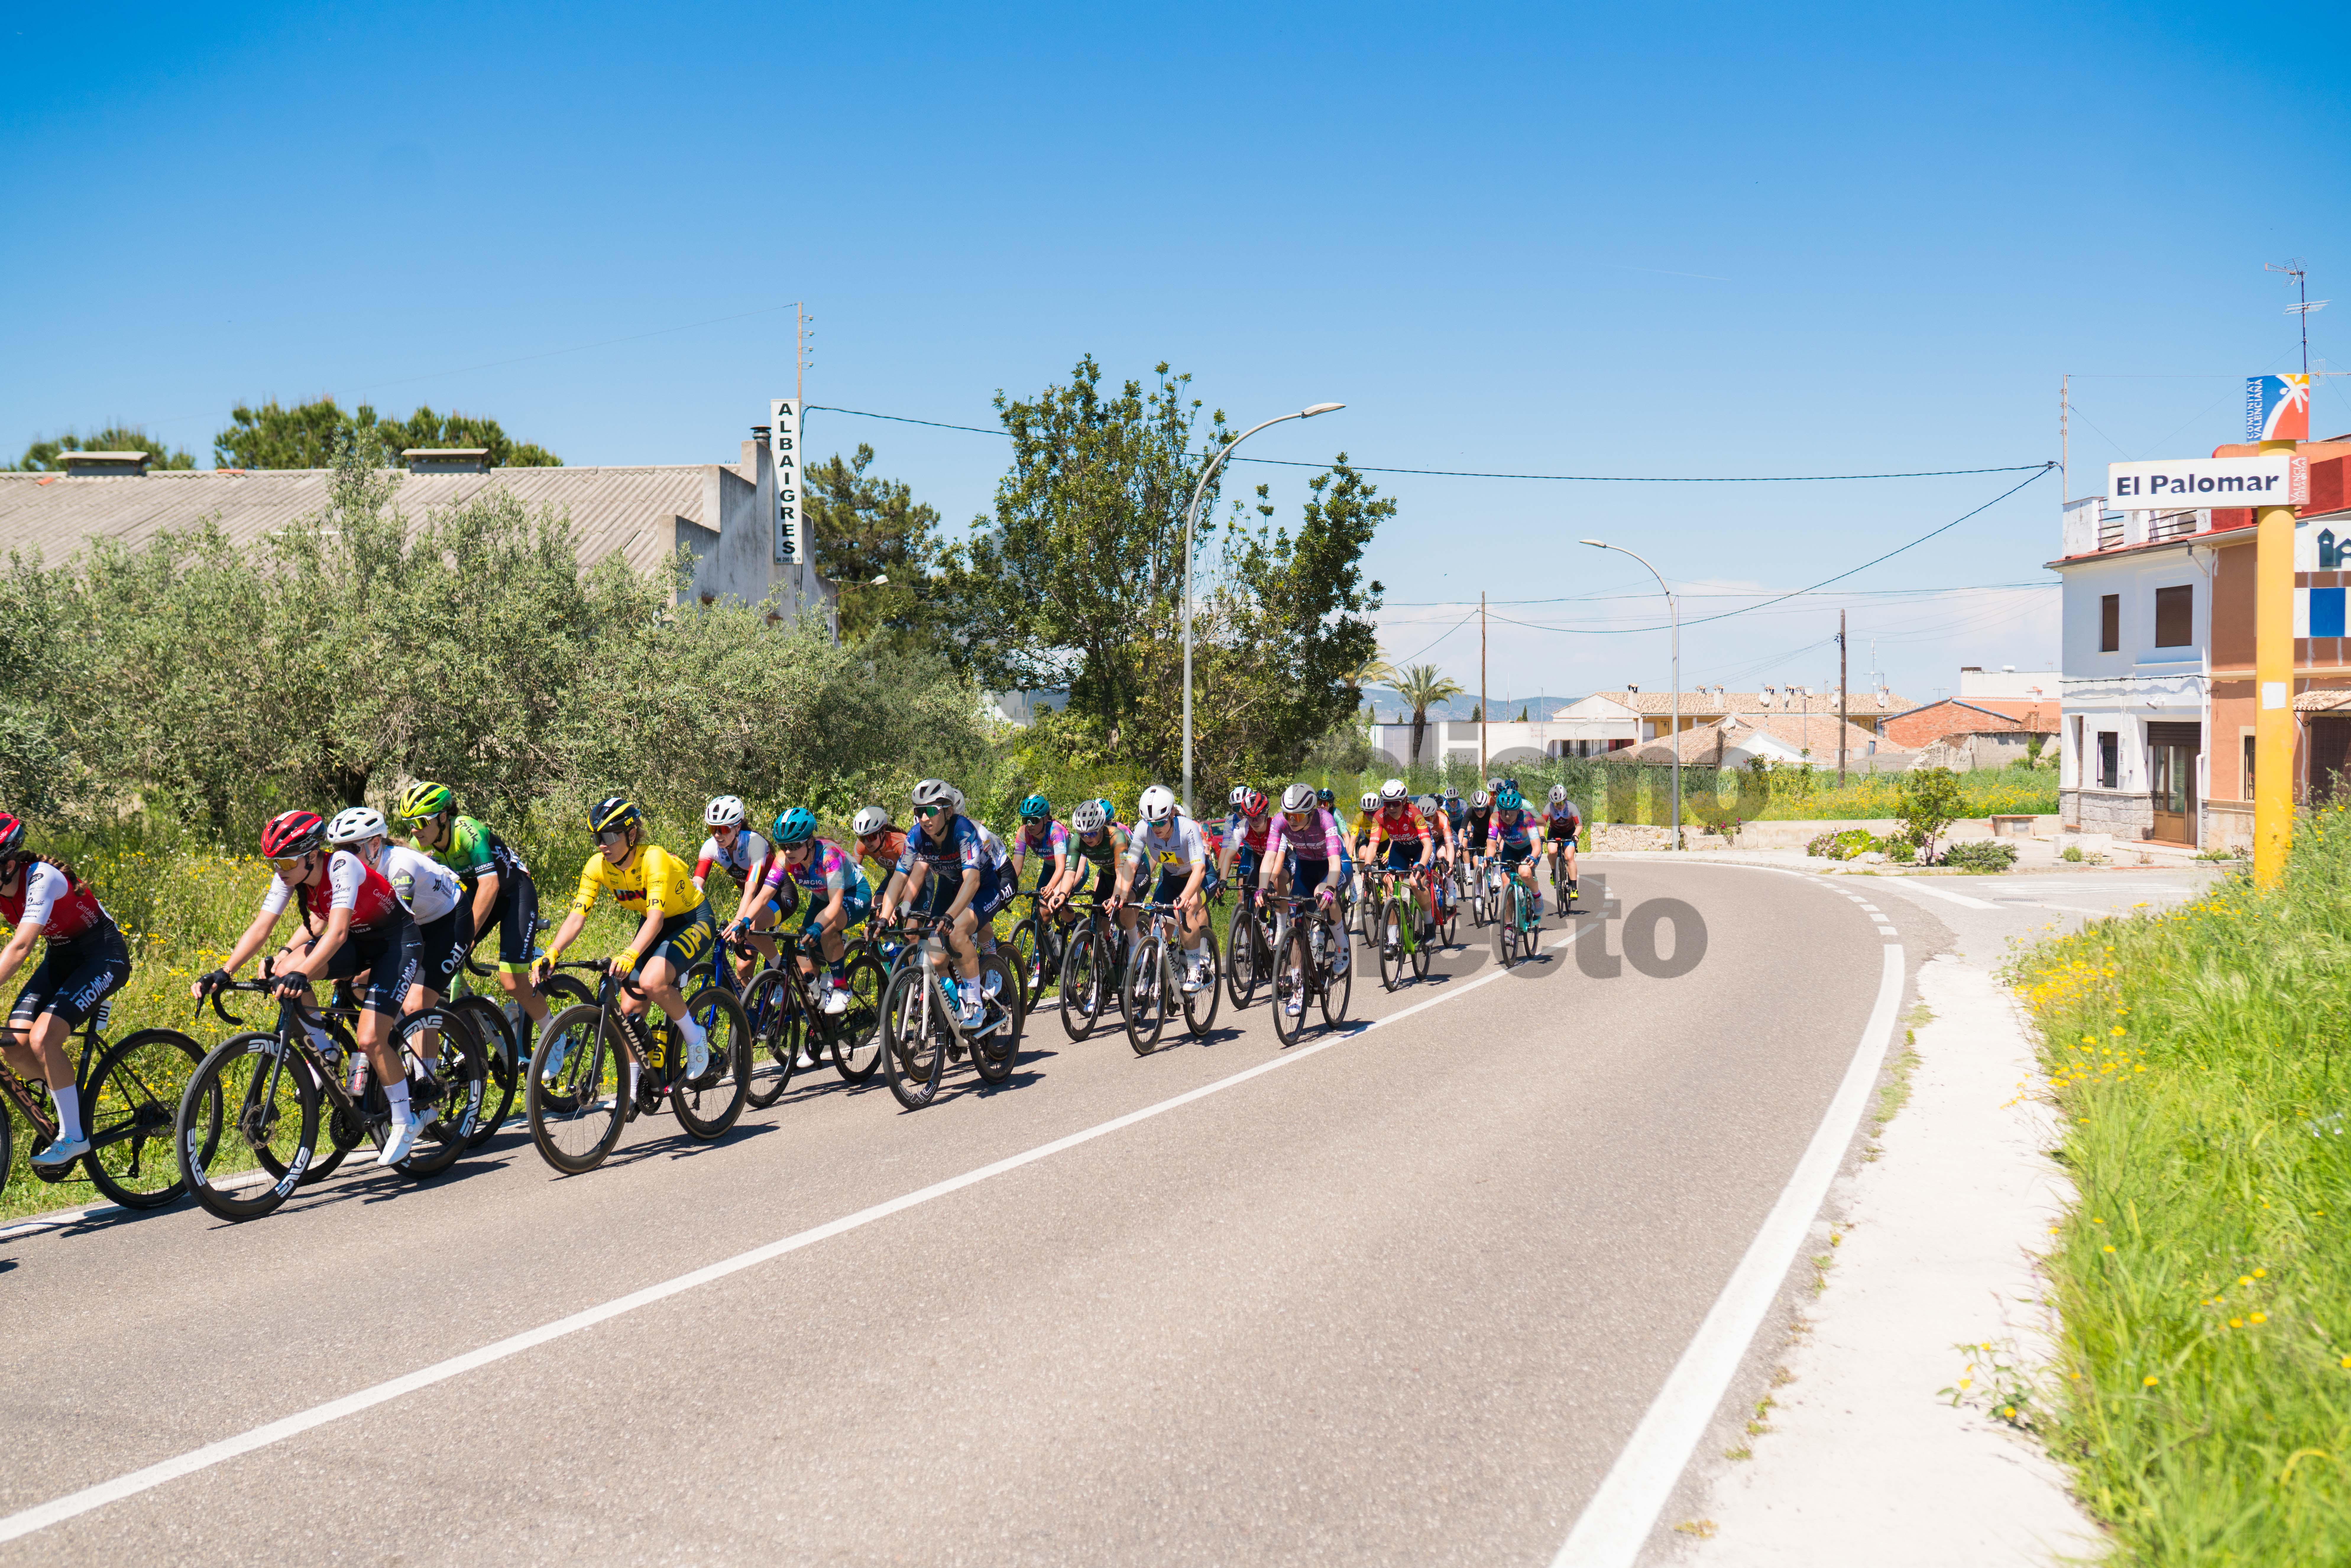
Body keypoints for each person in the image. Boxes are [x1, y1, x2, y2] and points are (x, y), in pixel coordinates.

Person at [197, 810, 427, 1167]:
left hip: (396, 944)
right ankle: (326, 1049)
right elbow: (262, 928)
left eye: (287, 861)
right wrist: (225, 971)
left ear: (311, 854)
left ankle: (405, 1120)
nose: (280, 870)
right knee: (283, 967)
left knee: (369, 1037)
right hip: (359, 943)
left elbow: (334, 933)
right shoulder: (291, 875)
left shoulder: (342, 866)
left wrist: (304, 973)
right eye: (274, 863)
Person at [535, 797, 715, 1098]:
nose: (601, 845)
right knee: (628, 1011)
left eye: (609, 836)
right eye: (597, 837)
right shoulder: (597, 867)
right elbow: (577, 915)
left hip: (691, 918)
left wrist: (632, 953)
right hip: (653, 925)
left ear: (631, 835)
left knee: (652, 981)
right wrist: (553, 951)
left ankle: (695, 1037)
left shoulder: (653, 858)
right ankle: (632, 1093)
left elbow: (657, 919)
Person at [0, 814, 130, 1171]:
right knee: (12, 1041)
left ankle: (74, 1137)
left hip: (103, 956)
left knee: (43, 1037)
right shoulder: (3, 885)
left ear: (9, 865)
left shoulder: (42, 877)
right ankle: (63, 1101)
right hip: (61, 957)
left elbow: (21, 947)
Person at [397, 781, 549, 1054]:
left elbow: (490, 886)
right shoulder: (418, 845)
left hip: (513, 891)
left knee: (512, 981)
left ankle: (554, 1038)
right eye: (409, 822)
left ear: (443, 817)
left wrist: (467, 935)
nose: (414, 829)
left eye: (420, 821)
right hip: (476, 893)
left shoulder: (468, 831)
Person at [875, 779, 1008, 1026]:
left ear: (948, 811)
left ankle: (975, 1004)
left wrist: (950, 917)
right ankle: (956, 1012)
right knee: (935, 960)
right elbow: (899, 878)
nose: (925, 818)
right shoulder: (916, 837)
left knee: (957, 933)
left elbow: (972, 882)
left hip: (982, 888)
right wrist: (885, 915)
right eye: (919, 811)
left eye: (931, 811)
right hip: (951, 888)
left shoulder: (963, 830)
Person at [327, 806, 468, 1020]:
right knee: (358, 986)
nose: (344, 858)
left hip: (449, 924)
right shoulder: (353, 869)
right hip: (416, 926)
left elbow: (399, 926)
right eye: (338, 850)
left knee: (416, 1006)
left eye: (352, 849)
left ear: (375, 844)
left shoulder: (401, 866)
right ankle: (400, 1040)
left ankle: (424, 1052)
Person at [757, 807, 871, 1019]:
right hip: (822, 899)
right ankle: (819, 1019)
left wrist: (819, 926)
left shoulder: (829, 855)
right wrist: (744, 920)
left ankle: (841, 987)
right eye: (784, 846)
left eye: (794, 845)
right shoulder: (784, 859)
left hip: (853, 894)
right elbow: (764, 895)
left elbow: (836, 904)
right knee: (804, 969)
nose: (788, 851)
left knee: (826, 930)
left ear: (809, 842)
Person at [1112, 784, 1214, 992]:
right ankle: (1170, 964)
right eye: (1151, 824)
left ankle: (1195, 969)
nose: (1156, 828)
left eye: (1160, 822)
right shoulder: (1144, 830)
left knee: (1186, 911)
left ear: (1173, 814)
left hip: (1198, 878)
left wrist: (1185, 897)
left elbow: (1200, 870)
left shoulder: (1188, 829)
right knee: (1155, 925)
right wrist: (1120, 894)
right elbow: (1131, 865)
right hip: (1170, 878)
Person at [1257, 784, 1348, 1015]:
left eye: (1297, 816)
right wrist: (1262, 888)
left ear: (1310, 813)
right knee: (1297, 925)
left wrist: (1330, 889)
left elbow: (1335, 864)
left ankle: (1341, 942)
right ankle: (1298, 988)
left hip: (1335, 864)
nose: (1291, 821)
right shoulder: (1280, 822)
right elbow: (1269, 857)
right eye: (1288, 815)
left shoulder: (1326, 820)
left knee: (1324, 894)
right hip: (1307, 866)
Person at [696, 794, 785, 980]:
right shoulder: (710, 847)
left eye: (723, 829)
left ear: (737, 827)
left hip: (779, 896)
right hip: (751, 899)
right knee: (743, 970)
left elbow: (751, 890)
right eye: (713, 829)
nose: (717, 835)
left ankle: (783, 972)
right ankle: (751, 1009)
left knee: (752, 925)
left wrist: (739, 921)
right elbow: (698, 885)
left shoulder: (754, 843)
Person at [1365, 778, 1435, 927]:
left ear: (1404, 802)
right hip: (1400, 849)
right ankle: (1391, 939)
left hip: (1420, 849)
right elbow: (1372, 846)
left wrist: (1421, 865)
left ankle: (1429, 923)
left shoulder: (1414, 814)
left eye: (1396, 803)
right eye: (1387, 804)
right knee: (1390, 887)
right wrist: (1367, 865)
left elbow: (1428, 844)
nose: (1391, 808)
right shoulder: (1380, 817)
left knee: (1415, 883)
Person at [1045, 798, 1130, 914]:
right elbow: (1070, 873)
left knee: (1125, 912)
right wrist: (1062, 894)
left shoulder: (1116, 836)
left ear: (1102, 827)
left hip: (1130, 872)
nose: (1087, 838)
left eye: (1092, 833)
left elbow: (1122, 874)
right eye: (1082, 834)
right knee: (1098, 915)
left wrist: (1116, 895)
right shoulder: (1078, 841)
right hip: (1108, 875)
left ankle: (1134, 932)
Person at [1488, 785, 1543, 922]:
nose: (1507, 816)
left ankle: (1536, 895)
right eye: (1503, 812)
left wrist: (1533, 857)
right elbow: (1491, 843)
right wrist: (1489, 858)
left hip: (1528, 849)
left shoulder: (1527, 818)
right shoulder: (1495, 819)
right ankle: (1508, 927)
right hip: (1510, 850)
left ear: (1519, 810)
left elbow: (1537, 846)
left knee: (1524, 872)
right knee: (1506, 888)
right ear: (1499, 810)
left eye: (1511, 812)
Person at [1217, 786, 1272, 902]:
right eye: (1237, 808)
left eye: (1243, 806)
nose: (1241, 811)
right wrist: (1220, 875)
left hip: (1267, 851)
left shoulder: (1259, 816)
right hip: (1249, 852)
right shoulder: (1231, 822)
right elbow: (1226, 850)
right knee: (1242, 891)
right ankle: (1243, 917)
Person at [1543, 784, 1584, 906]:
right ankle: (1554, 872)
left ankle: (1574, 888)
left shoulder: (1572, 807)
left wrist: (1576, 835)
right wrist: (1541, 836)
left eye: (1560, 803)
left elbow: (1580, 826)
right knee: (1551, 852)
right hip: (1554, 833)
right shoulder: (1548, 808)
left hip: (1570, 832)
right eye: (1555, 804)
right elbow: (1542, 824)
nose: (1558, 806)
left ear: (1565, 800)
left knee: (1569, 857)